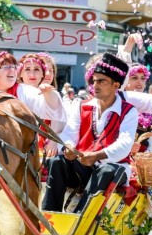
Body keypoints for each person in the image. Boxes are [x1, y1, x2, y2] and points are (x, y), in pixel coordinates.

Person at [42, 53, 138, 213]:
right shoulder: (81, 106)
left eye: (102, 81)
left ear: (116, 85)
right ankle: (50, 216)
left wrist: (97, 156)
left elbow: (125, 144)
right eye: (94, 81)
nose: (96, 85)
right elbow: (69, 134)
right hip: (83, 166)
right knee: (56, 162)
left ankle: (80, 217)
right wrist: (69, 148)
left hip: (113, 168)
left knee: (106, 170)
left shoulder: (128, 111)